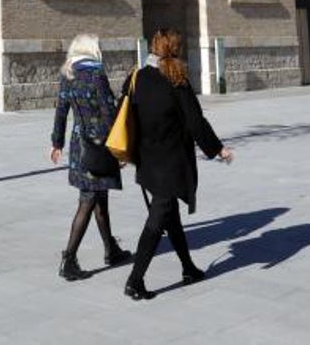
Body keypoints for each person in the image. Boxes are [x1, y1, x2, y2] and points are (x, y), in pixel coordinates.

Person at [123, 29, 234, 301]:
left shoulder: (136, 77)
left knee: (169, 213)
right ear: (174, 50)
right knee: (158, 217)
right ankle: (135, 281)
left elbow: (123, 113)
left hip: (146, 160)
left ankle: (188, 268)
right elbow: (195, 121)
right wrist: (217, 148)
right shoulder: (176, 79)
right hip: (170, 162)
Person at [50, 32, 132, 281]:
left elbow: (61, 111)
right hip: (99, 146)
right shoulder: (96, 75)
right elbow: (109, 114)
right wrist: (119, 149)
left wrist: (57, 143)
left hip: (79, 146)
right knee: (88, 200)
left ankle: (111, 249)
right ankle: (69, 259)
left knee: (99, 198)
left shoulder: (68, 74)